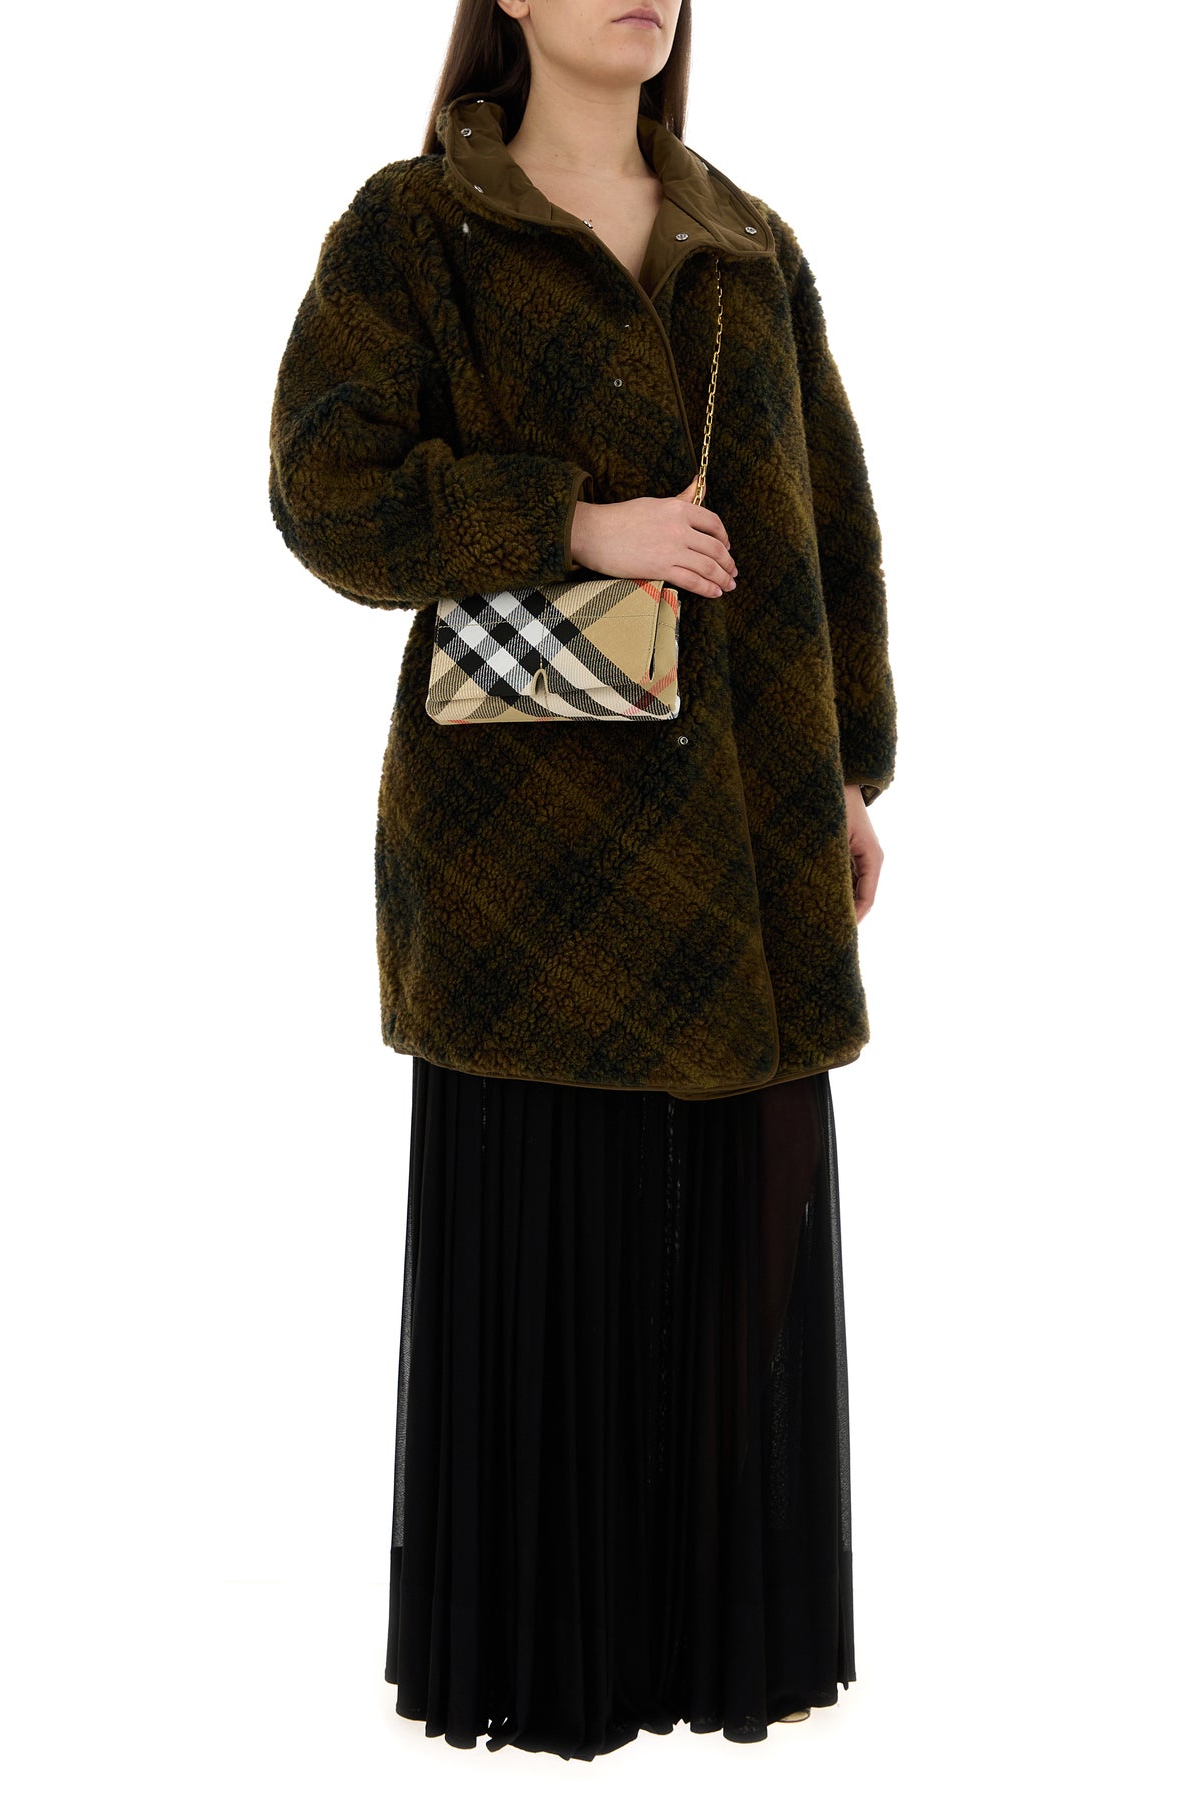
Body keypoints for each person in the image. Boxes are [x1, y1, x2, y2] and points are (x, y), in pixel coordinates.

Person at [267, 0, 897, 1761]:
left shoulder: (748, 244)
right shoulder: (416, 229)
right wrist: (566, 521)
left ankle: (717, 1660)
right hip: (525, 871)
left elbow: (831, 524)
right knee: (552, 1244)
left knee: (739, 1249)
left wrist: (851, 771)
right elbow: (324, 490)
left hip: (751, 836)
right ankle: (553, 1676)